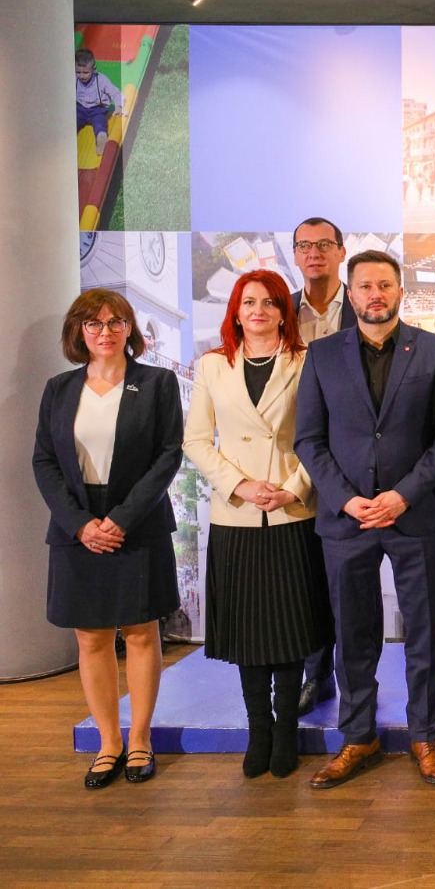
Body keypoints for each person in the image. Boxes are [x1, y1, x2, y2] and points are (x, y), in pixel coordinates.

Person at [294, 250, 435, 789]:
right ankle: (358, 736)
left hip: (415, 516)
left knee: (423, 635)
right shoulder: (322, 354)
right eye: (365, 286)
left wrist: (403, 496)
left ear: (401, 292)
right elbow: (308, 440)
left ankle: (425, 736)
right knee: (352, 635)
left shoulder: (434, 351)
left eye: (385, 285)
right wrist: (345, 500)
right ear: (351, 293)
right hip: (347, 521)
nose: (375, 295)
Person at [184, 270, 333, 779]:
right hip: (237, 512)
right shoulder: (212, 364)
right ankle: (259, 730)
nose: (259, 311)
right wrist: (241, 485)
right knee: (249, 631)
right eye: (249, 302)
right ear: (235, 310)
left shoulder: (307, 361)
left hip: (292, 509)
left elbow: (322, 435)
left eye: (269, 302)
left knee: (289, 629)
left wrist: (293, 487)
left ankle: (286, 730)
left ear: (283, 312)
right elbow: (196, 440)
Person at [33, 288, 183, 789]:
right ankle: (108, 743)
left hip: (137, 521)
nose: (106, 331)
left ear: (129, 329)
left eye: (116, 322)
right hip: (76, 525)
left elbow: (168, 455)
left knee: (141, 632)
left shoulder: (157, 383)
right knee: (91, 637)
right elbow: (45, 461)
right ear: (79, 331)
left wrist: (121, 519)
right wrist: (80, 523)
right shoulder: (59, 388)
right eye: (94, 323)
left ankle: (139, 739)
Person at [288, 216, 357, 715]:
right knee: (305, 579)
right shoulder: (279, 312)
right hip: (294, 460)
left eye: (324, 245)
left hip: (353, 463)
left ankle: (352, 681)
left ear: (340, 252)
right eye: (305, 246)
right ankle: (315, 674)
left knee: (345, 586)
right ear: (295, 254)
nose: (314, 253)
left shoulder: (364, 308)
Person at [75, 48, 125, 156]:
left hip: (96, 110)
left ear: (94, 68)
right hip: (80, 108)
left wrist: (119, 106)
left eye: (86, 72)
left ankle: (101, 139)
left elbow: (116, 93)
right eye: (78, 72)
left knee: (100, 123)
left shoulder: (101, 80)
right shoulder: (74, 79)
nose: (82, 76)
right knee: (73, 121)